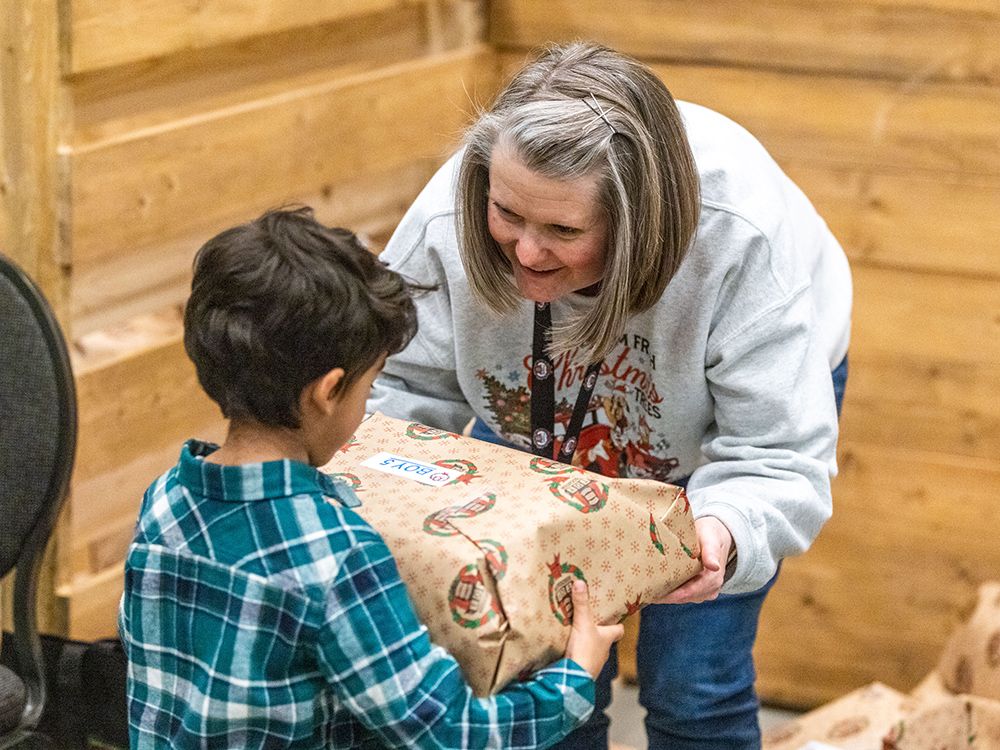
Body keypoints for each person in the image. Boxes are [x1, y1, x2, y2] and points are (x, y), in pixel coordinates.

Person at [367, 43, 852, 749]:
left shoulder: (740, 237)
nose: (526, 253)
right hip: (535, 423)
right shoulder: (450, 215)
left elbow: (775, 455)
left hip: (714, 442)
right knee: (546, 673)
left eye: (563, 231)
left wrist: (721, 535)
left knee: (693, 685)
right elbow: (397, 392)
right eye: (507, 214)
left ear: (636, 226)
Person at [118, 207, 623, 749]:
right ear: (328, 391)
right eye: (369, 385)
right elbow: (447, 732)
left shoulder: (164, 500)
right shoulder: (337, 555)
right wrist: (572, 680)